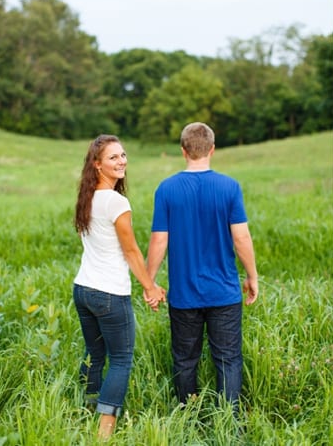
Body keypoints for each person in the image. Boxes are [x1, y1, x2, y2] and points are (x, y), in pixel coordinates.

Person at [146, 122, 258, 413]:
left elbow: (159, 240)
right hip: (224, 293)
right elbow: (241, 237)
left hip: (184, 295)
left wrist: (150, 282)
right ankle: (228, 420)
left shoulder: (166, 189)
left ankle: (188, 415)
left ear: (183, 151)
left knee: (185, 359)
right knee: (228, 358)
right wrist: (252, 276)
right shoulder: (229, 187)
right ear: (212, 149)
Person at [73, 134, 166, 439]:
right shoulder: (115, 201)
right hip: (109, 293)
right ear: (97, 165)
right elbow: (130, 251)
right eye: (113, 157)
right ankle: (104, 433)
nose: (122, 160)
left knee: (95, 355)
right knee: (121, 359)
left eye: (123, 155)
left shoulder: (88, 198)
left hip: (83, 289)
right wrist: (150, 287)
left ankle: (86, 410)